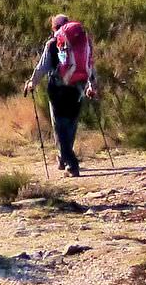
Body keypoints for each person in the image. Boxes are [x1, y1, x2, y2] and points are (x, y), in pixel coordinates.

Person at [22, 13, 95, 175]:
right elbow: (90, 65)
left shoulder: (53, 43)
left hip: (58, 89)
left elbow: (42, 68)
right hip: (78, 87)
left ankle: (70, 163)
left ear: (55, 28)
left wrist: (31, 83)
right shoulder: (83, 41)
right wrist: (91, 86)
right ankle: (64, 158)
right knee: (71, 124)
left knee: (59, 126)